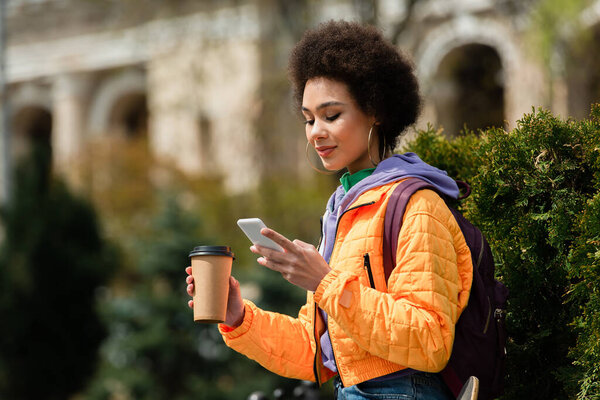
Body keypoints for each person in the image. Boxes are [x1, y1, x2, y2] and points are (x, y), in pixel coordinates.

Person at [186, 20, 473, 400]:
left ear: (376, 111)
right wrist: (240, 317)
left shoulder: (417, 207)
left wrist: (325, 283)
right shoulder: (342, 211)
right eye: (309, 119)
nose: (316, 131)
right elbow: (316, 354)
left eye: (331, 115)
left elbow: (429, 341)